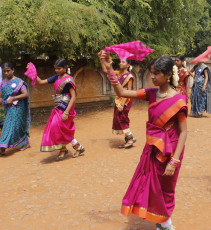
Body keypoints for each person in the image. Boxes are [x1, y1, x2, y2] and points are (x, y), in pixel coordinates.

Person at [98, 51, 187, 230]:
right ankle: (163, 223)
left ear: (168, 75)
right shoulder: (151, 94)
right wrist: (108, 69)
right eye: (151, 73)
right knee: (151, 184)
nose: (152, 77)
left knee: (166, 187)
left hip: (170, 150)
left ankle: (166, 223)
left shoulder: (179, 100)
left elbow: (184, 132)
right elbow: (122, 91)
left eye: (156, 73)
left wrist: (175, 161)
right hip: (152, 147)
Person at [35, 58, 85, 161]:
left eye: (59, 68)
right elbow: (40, 82)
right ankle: (64, 149)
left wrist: (66, 112)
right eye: (55, 68)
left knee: (59, 128)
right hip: (58, 107)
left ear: (65, 68)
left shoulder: (69, 80)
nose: (56, 70)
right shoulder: (56, 77)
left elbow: (73, 96)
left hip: (66, 108)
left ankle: (77, 147)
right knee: (57, 128)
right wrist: (33, 72)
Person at [0, 62, 30, 155]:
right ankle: (25, 142)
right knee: (17, 126)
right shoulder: (2, 83)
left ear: (13, 70)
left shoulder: (18, 81)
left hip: (18, 107)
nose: (6, 73)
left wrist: (13, 98)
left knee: (8, 126)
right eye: (4, 71)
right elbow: (1, 96)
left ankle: (2, 147)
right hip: (8, 108)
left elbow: (25, 94)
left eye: (8, 71)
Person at [112, 59, 136, 148]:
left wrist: (122, 103)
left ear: (128, 65)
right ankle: (128, 138)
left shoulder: (129, 76)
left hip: (126, 100)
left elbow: (129, 91)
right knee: (118, 117)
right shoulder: (118, 74)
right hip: (118, 99)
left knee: (122, 117)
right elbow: (108, 71)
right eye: (120, 61)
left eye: (123, 62)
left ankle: (130, 139)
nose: (120, 63)